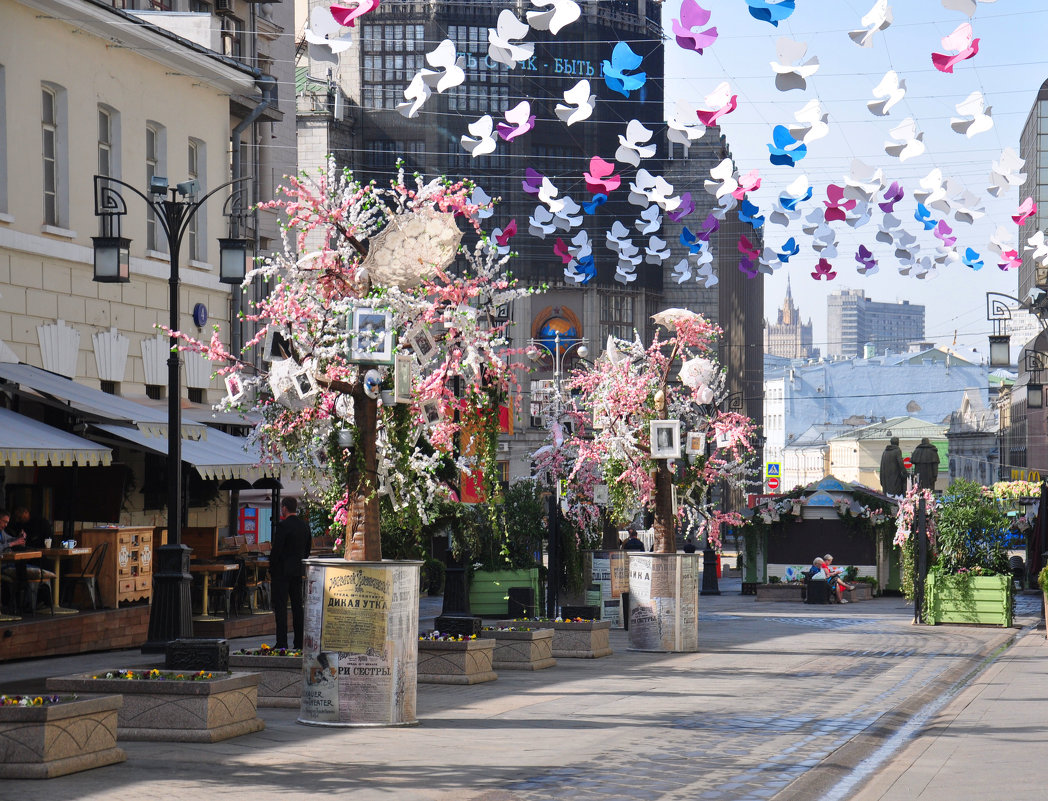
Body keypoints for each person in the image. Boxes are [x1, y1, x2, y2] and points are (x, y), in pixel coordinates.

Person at [270, 498, 312, 650]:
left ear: (285, 508)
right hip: (297, 572)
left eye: (282, 507)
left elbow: (276, 550)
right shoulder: (305, 526)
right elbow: (307, 549)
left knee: (280, 608)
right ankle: (299, 643)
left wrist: (271, 568)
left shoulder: (283, 526)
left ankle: (282, 642)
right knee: (297, 607)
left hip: (281, 572)